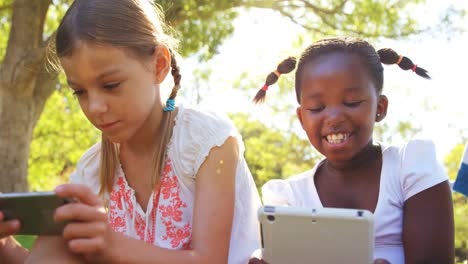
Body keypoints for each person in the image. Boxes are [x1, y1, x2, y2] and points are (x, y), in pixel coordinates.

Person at [0, 0, 261, 263]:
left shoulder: (206, 141)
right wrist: (6, 247)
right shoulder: (93, 167)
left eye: (111, 85)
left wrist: (110, 244)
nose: (95, 106)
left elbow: (209, 260)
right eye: (80, 91)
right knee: (58, 241)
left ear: (159, 65)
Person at [250, 37, 454, 264]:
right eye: (317, 108)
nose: (334, 118)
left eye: (352, 102)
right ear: (301, 118)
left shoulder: (410, 170)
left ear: (380, 108)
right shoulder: (290, 199)